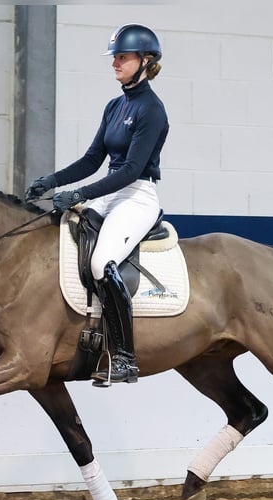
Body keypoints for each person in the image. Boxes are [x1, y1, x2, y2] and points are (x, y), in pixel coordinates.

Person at [26, 23, 169, 386]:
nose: (115, 63)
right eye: (115, 57)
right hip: (109, 193)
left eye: (122, 57)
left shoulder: (152, 109)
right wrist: (53, 180)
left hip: (136, 195)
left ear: (145, 60)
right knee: (66, 235)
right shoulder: (114, 106)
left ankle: (125, 357)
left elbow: (131, 170)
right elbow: (92, 160)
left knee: (101, 262)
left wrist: (80, 194)